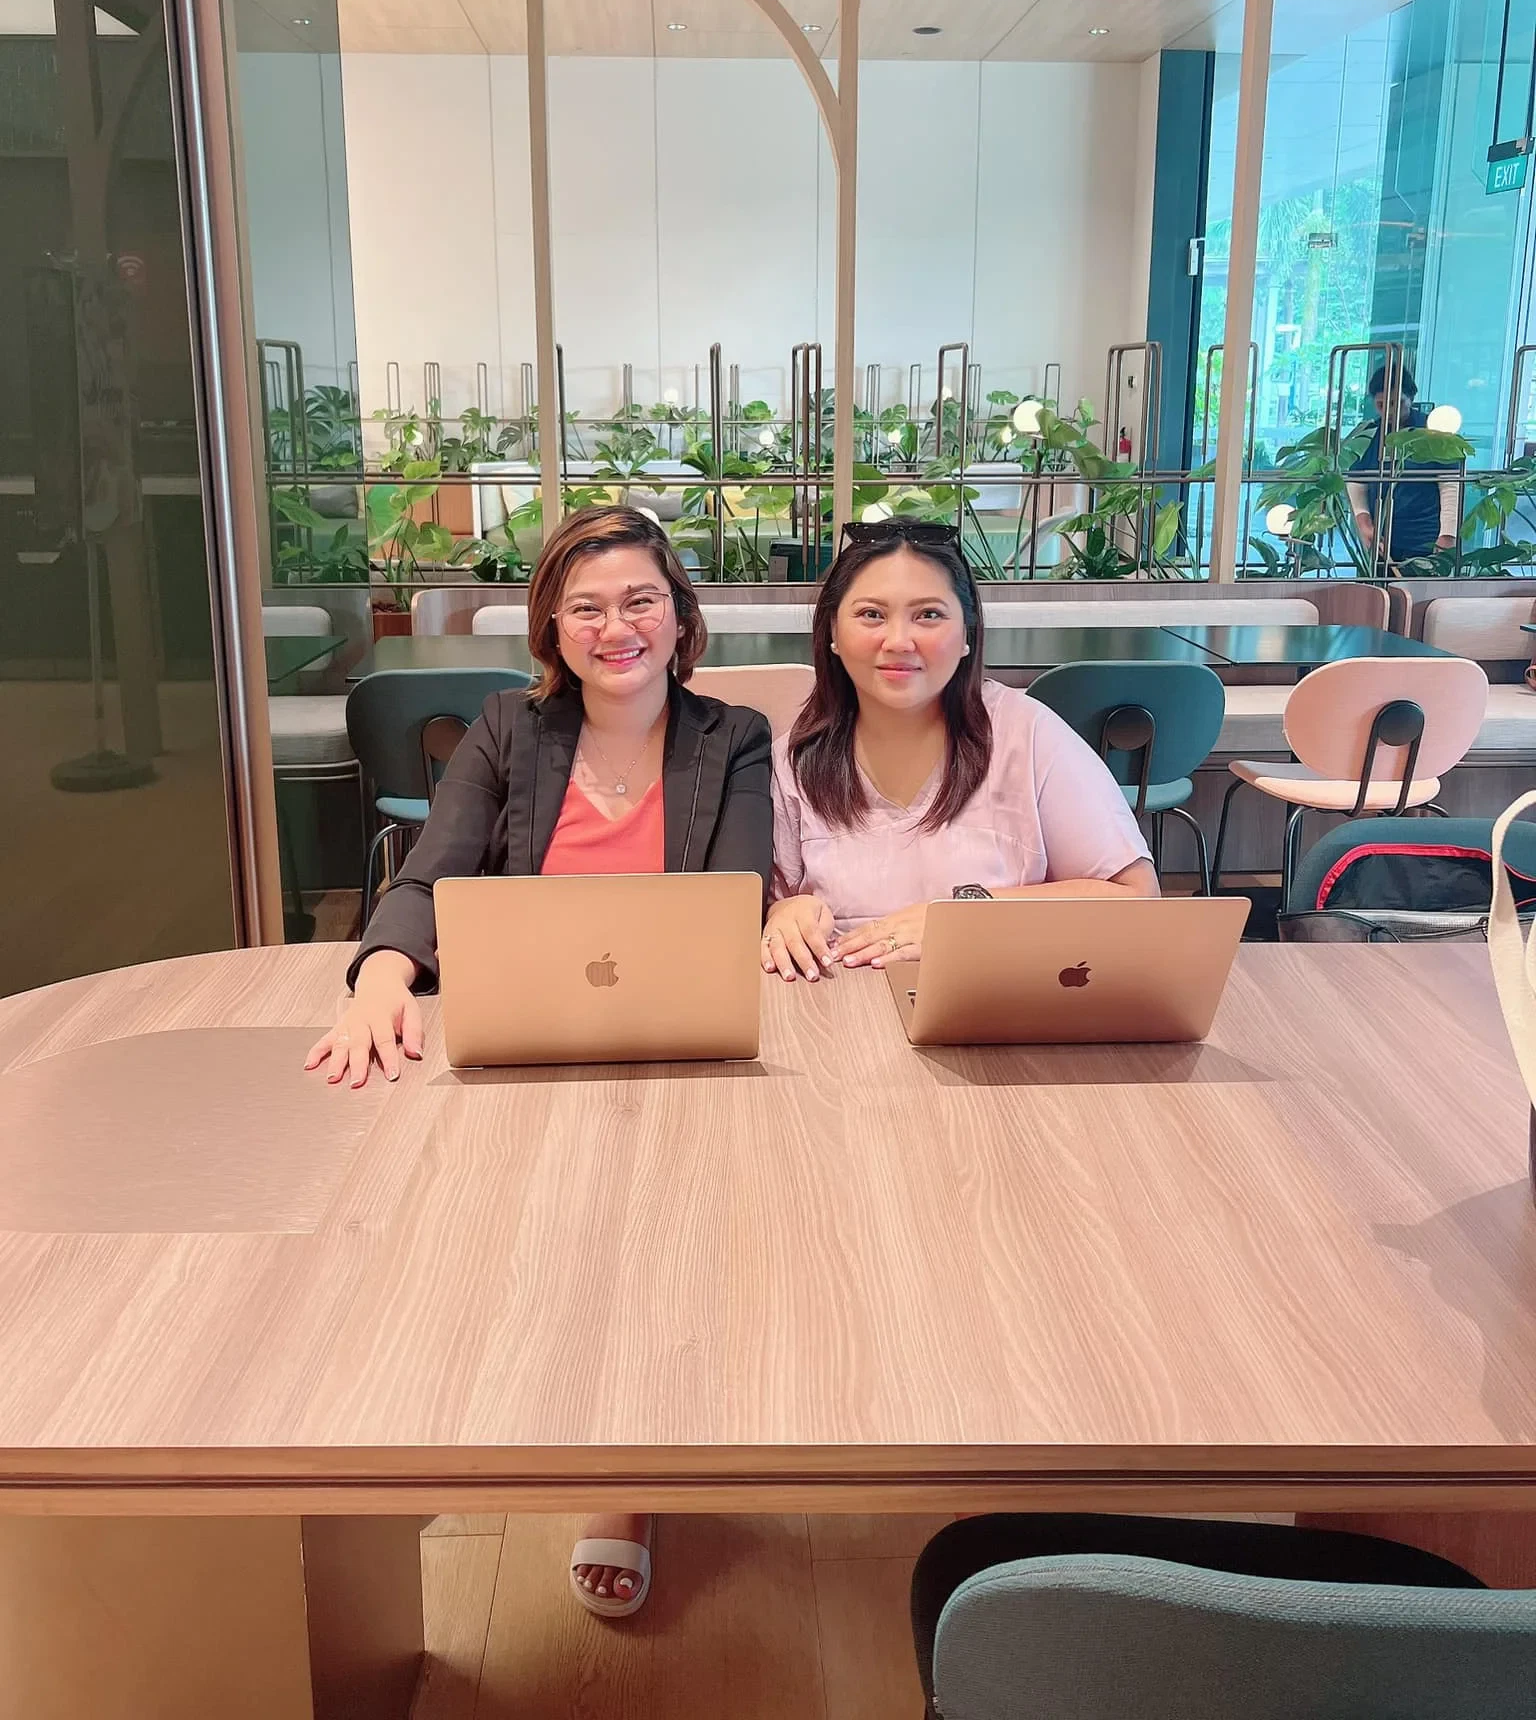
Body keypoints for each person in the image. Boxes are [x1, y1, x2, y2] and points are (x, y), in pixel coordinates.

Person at [306, 504, 773, 1622]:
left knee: (643, 1215)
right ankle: (453, 1428)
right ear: (552, 628)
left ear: (681, 615)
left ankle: (619, 1481)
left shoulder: (733, 736)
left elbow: (738, 899)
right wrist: (378, 975)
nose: (618, 626)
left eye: (641, 599)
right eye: (588, 606)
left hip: (676, 1036)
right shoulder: (508, 728)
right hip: (525, 1031)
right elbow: (430, 875)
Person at [762, 521, 1159, 984]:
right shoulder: (795, 760)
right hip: (846, 1020)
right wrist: (785, 915)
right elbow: (773, 908)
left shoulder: (1028, 736)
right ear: (832, 632)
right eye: (871, 614)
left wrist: (965, 916)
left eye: (929, 614)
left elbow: (1134, 898)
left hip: (1000, 1008)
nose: (898, 641)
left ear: (967, 632)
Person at [1347, 362, 1458, 568]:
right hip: (1381, 536)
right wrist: (1364, 524)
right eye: (1381, 404)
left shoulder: (1434, 432)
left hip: (1424, 535)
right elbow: (1355, 481)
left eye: (1397, 403)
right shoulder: (1368, 433)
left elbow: (1450, 485)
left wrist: (1447, 535)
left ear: (1411, 399)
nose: (1389, 411)